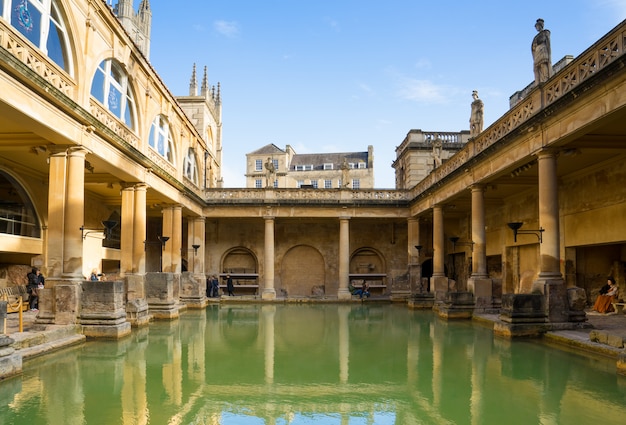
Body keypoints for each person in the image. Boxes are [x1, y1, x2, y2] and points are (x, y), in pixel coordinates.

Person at [532, 18, 552, 85]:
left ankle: (545, 79)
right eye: (536, 27)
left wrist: (549, 54)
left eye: (537, 26)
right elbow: (533, 47)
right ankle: (538, 82)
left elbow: (548, 43)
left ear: (541, 26)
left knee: (543, 65)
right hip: (537, 52)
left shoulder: (545, 32)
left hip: (543, 50)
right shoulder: (535, 37)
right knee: (536, 68)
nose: (537, 28)